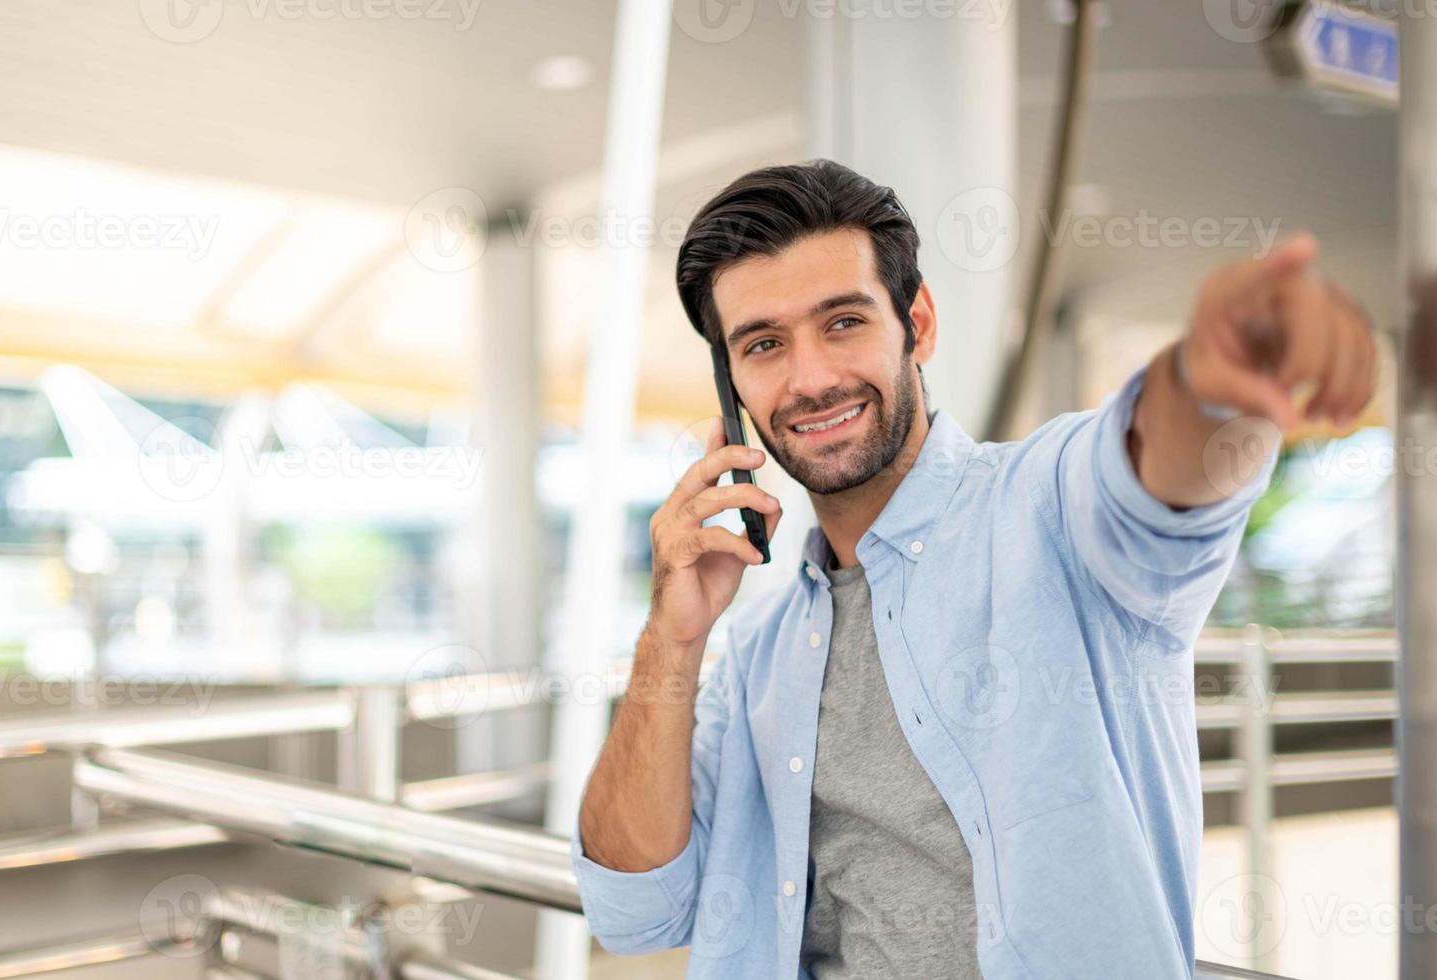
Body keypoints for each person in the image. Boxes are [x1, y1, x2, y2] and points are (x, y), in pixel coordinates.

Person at [571, 159, 1378, 979]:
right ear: (732, 381)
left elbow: (1149, 469)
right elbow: (635, 909)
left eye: (843, 322)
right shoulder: (756, 649)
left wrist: (1209, 381)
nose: (809, 379)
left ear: (916, 322)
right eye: (764, 344)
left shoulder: (1047, 507)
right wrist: (670, 639)